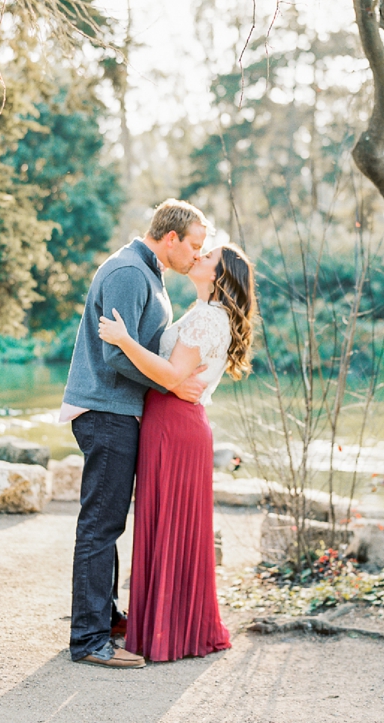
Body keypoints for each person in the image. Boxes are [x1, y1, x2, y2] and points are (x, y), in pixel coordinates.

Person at [59, 199, 210, 669]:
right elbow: (115, 355)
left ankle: (104, 616)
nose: (195, 256)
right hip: (105, 410)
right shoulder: (128, 272)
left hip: (119, 411)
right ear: (171, 238)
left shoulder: (149, 274)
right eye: (194, 246)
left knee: (109, 522)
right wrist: (172, 382)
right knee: (101, 525)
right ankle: (88, 639)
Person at [97, 241, 258, 662]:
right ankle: (167, 623)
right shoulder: (203, 313)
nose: (199, 257)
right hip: (171, 422)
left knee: (168, 522)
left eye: (208, 258)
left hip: (175, 425)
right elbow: (172, 374)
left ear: (218, 276)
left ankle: (169, 631)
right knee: (166, 522)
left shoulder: (208, 317)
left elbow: (171, 373)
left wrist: (123, 339)